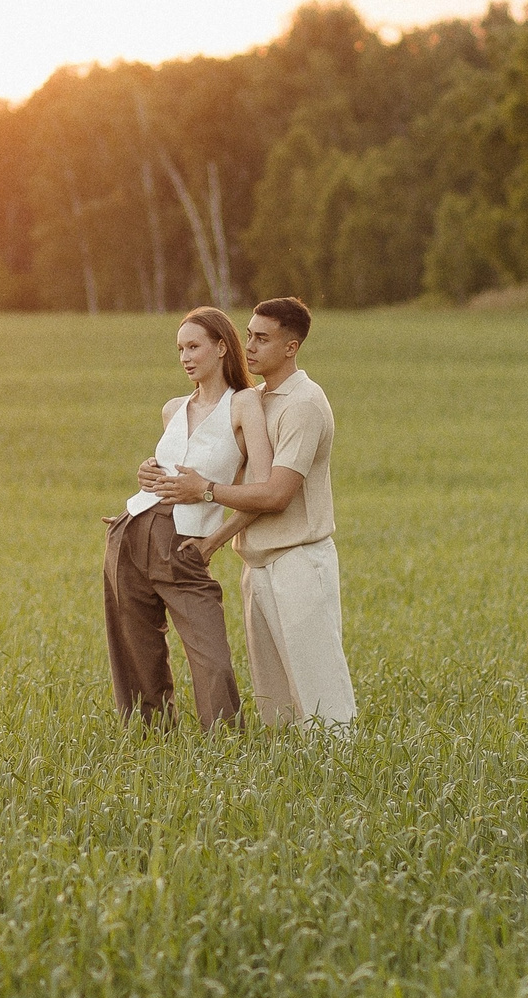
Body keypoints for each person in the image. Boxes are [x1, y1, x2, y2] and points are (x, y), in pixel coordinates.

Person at [145, 296, 355, 728]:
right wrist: (159, 474)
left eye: (262, 338)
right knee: (275, 704)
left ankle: (340, 767)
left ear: (291, 347)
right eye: (248, 336)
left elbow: (276, 495)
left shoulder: (302, 404)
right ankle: (291, 771)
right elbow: (228, 476)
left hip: (298, 560)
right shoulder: (253, 400)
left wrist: (205, 491)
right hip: (257, 563)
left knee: (321, 697)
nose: (250, 347)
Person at [102, 306, 273, 728]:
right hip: (131, 530)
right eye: (180, 349)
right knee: (136, 649)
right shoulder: (172, 408)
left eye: (194, 347)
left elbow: (262, 491)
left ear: (221, 347)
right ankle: (149, 739)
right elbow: (168, 469)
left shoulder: (244, 404)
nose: (185, 357)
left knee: (212, 659)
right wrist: (146, 471)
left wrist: (213, 541)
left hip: (184, 544)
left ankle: (225, 746)